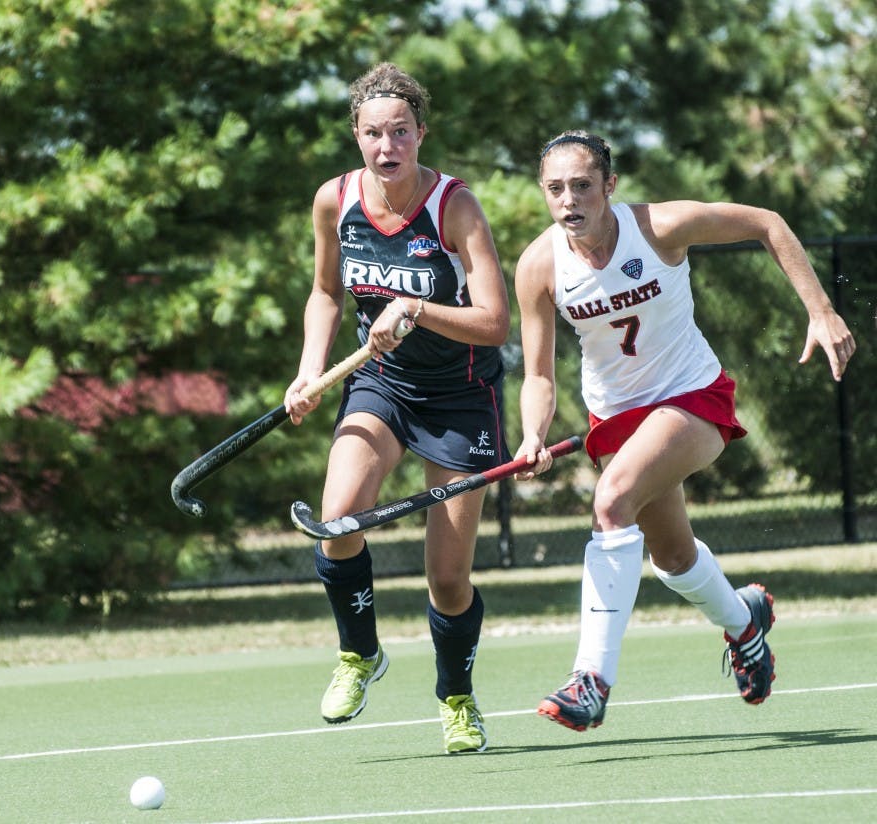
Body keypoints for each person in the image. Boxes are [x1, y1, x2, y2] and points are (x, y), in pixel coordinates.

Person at [513, 129, 856, 732]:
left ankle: (590, 678)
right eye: (556, 189)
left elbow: (767, 222)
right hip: (614, 420)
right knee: (672, 558)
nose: (570, 201)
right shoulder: (539, 266)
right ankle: (745, 622)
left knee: (612, 500)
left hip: (690, 397)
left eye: (583, 186)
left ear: (610, 187)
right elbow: (538, 376)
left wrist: (821, 310)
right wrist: (532, 436)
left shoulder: (659, 228)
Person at [283, 63, 511, 754]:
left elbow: (496, 322)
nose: (388, 147)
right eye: (375, 134)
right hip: (380, 385)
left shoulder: (454, 207)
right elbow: (326, 293)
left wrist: (414, 308)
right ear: (357, 136)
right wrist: (309, 371)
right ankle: (360, 654)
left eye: (401, 133)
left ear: (421, 134)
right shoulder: (336, 201)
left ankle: (457, 698)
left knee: (446, 578)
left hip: (461, 400)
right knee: (337, 522)